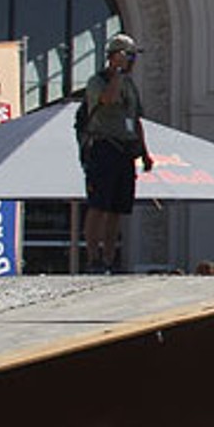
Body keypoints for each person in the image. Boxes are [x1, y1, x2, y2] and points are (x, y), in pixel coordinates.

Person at [81, 32, 153, 272]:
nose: (133, 62)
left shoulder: (130, 85)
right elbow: (108, 99)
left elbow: (136, 118)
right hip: (104, 147)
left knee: (117, 208)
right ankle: (93, 256)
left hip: (125, 150)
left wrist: (144, 152)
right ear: (115, 57)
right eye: (129, 56)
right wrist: (118, 73)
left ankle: (110, 257)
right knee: (98, 205)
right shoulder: (99, 81)